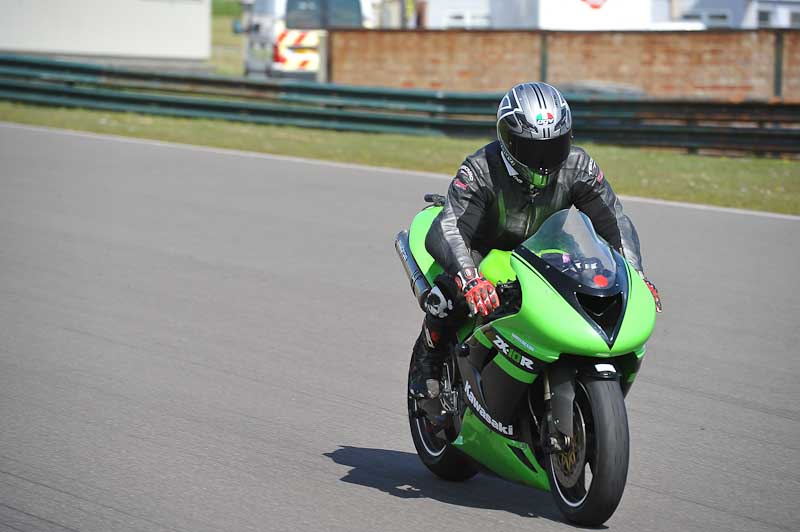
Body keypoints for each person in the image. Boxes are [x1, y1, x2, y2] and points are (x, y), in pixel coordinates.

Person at [410, 82, 662, 400]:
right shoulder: (481, 168)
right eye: (531, 149)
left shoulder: (579, 166)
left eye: (554, 147)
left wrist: (637, 275)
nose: (544, 160)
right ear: (508, 141)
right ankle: (428, 362)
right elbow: (448, 226)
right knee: (448, 298)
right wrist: (470, 279)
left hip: (548, 248)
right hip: (486, 248)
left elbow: (614, 222)